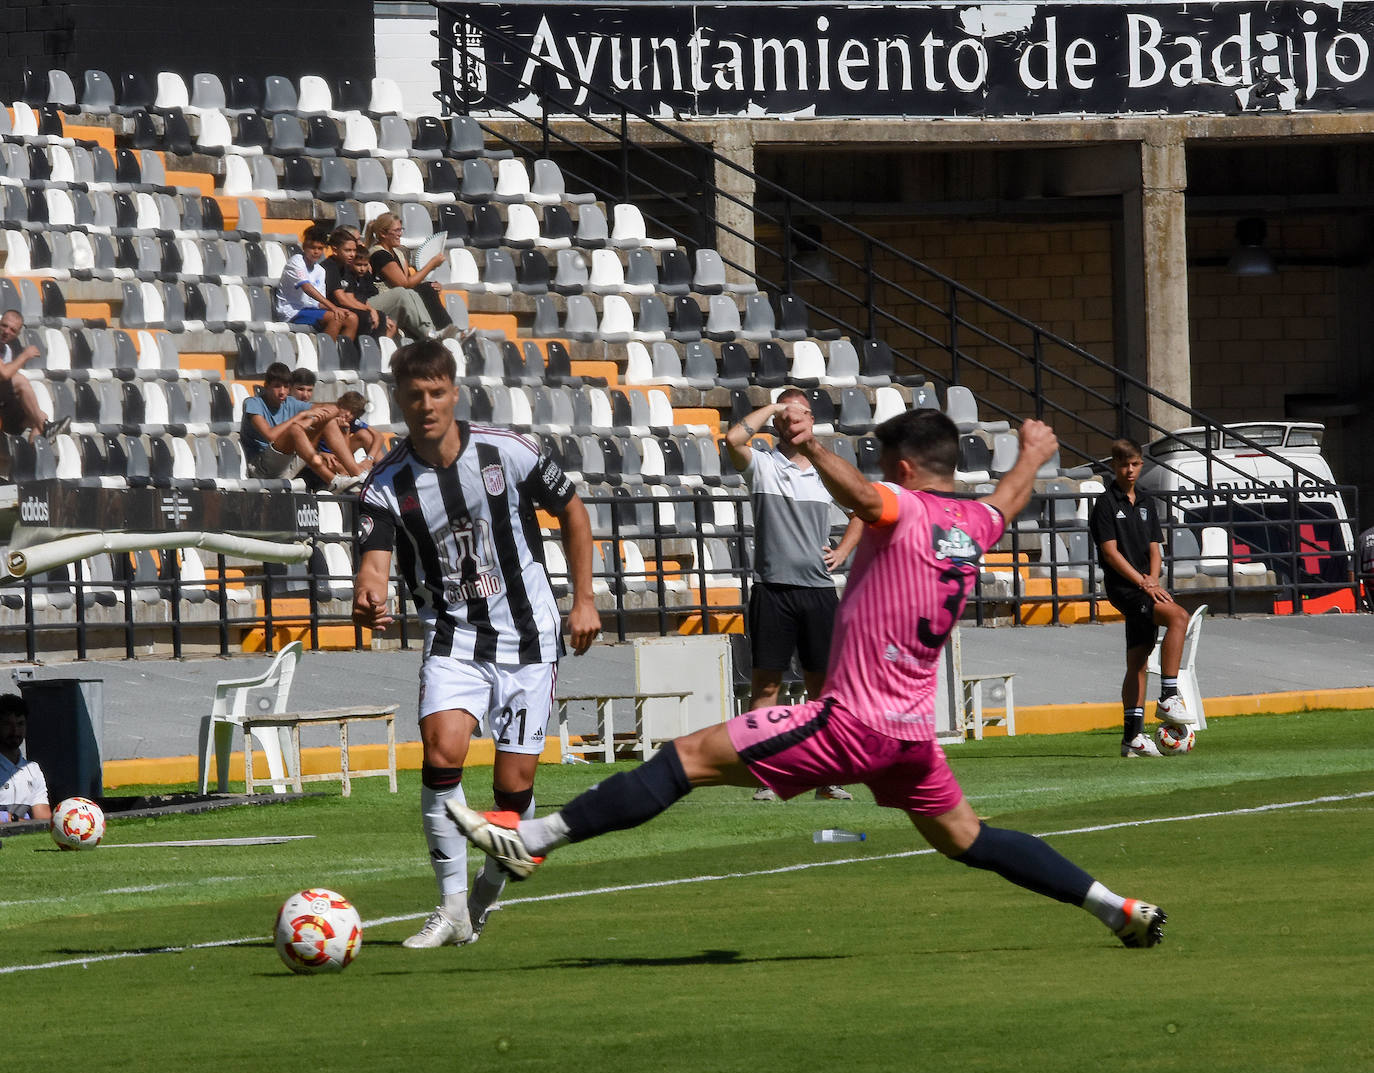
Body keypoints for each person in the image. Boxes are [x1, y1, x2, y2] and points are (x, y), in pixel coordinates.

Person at [449, 409, 1169, 950]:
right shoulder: (972, 522)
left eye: (891, 467)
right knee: (969, 838)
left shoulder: (904, 507)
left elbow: (864, 497)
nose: (886, 479)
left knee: (687, 757)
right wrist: (1035, 454)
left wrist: (811, 447)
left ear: (910, 471)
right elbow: (1009, 499)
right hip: (915, 734)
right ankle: (1115, 906)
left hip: (853, 721)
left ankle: (535, 837)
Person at [351, 339, 601, 949]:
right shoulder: (384, 484)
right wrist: (369, 595)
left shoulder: (506, 451)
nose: (427, 405)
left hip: (530, 635)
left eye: (437, 392)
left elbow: (572, 509)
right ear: (400, 401)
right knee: (442, 755)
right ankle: (451, 907)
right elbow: (374, 564)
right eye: (415, 396)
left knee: (511, 791)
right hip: (453, 634)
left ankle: (485, 896)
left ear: (453, 392)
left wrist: (585, 598)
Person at [725, 390, 863, 802]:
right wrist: (773, 408)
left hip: (819, 592)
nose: (791, 421)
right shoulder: (763, 466)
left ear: (812, 419)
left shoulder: (825, 472)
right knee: (767, 685)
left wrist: (842, 550)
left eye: (799, 414)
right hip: (773, 591)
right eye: (785, 416)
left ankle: (826, 776)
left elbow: (862, 510)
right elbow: (732, 440)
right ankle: (767, 776)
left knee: (822, 688)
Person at [1088, 438, 1197, 757]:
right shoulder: (1106, 504)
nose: (1130, 470)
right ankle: (1168, 695)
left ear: (1141, 464)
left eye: (1135, 463)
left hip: (1145, 585)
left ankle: (1131, 739)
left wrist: (1153, 577)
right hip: (1124, 588)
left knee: (1137, 660)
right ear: (1114, 466)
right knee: (1178, 616)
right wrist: (1143, 583)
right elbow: (1110, 553)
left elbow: (1154, 548)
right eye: (1124, 464)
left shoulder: (1147, 502)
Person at [239, 361, 363, 491]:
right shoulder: (253, 403)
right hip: (261, 468)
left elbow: (333, 409)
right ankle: (333, 481)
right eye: (277, 386)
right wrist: (300, 417)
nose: (282, 392)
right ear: (266, 386)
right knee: (294, 429)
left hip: (289, 463)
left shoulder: (290, 402)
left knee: (327, 421)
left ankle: (358, 475)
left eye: (286, 387)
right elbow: (271, 435)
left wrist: (310, 420)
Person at [364, 211, 457, 337]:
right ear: (383, 233)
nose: (400, 234)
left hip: (403, 296)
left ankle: (446, 329)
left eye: (400, 229)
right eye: (396, 230)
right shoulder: (379, 254)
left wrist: (434, 285)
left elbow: (410, 282)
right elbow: (404, 284)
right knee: (407, 292)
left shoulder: (399, 254)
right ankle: (431, 332)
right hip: (388, 299)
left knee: (428, 288)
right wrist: (431, 265)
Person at [275, 224, 357, 339]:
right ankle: (327, 354)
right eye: (312, 248)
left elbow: (319, 303)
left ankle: (343, 354)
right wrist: (333, 308)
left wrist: (338, 309)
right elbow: (307, 287)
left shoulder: (320, 270)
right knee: (335, 318)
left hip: (312, 310)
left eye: (320, 248)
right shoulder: (296, 262)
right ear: (304, 246)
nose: (316, 252)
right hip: (293, 311)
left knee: (352, 318)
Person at [0, 310, 68, 442]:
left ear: (18, 334)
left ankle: (32, 458)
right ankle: (46, 426)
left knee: (39, 418)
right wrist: (25, 355)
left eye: (12, 330)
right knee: (20, 380)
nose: (6, 331)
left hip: (4, 403)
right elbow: (4, 374)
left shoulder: (9, 348)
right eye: (4, 326)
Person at [295, 391, 382, 492]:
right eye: (346, 409)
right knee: (340, 467)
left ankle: (387, 474)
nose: (348, 414)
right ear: (340, 404)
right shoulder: (326, 416)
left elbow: (378, 436)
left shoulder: (351, 421)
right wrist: (321, 453)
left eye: (353, 412)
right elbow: (306, 442)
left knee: (365, 435)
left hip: (340, 457)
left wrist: (369, 459)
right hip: (321, 457)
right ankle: (352, 486)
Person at [321, 228, 398, 339]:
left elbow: (350, 298)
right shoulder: (330, 267)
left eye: (354, 250)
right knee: (366, 317)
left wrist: (371, 309)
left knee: (379, 315)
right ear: (335, 250)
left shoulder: (346, 268)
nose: (352, 254)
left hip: (342, 306)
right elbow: (341, 299)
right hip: (329, 307)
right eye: (347, 250)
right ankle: (357, 350)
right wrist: (369, 310)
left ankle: (375, 351)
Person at [0, 693, 50, 823]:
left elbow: (43, 817)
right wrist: (14, 819)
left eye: (20, 724)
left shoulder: (33, 770)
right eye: (7, 724)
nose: (15, 731)